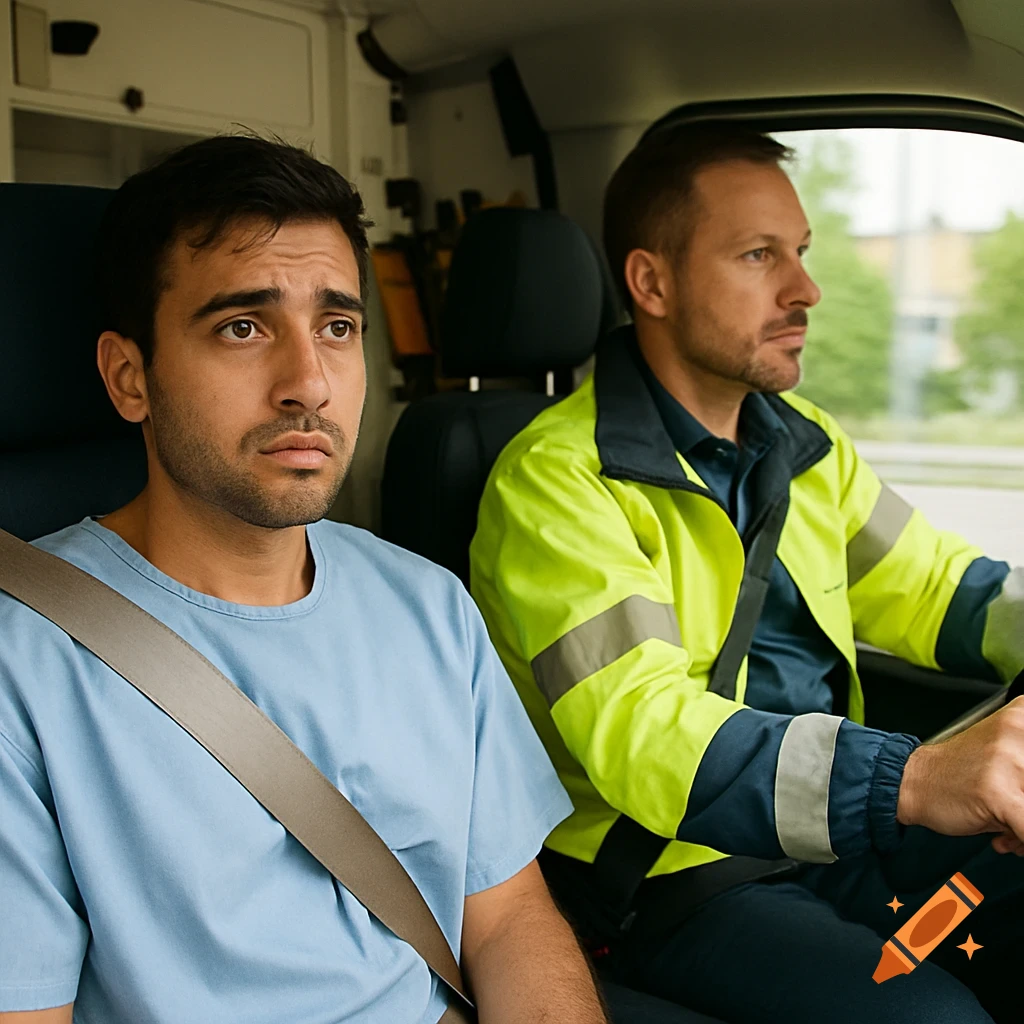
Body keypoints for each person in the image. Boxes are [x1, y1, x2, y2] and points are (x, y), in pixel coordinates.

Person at [0, 136, 609, 1024]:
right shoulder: (24, 660)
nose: (310, 383)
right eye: (242, 327)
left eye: (337, 327)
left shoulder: (428, 605)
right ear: (130, 378)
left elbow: (509, 915)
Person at [468, 121, 1024, 1024]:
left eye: (800, 252)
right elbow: (645, 733)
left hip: (836, 835)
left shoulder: (803, 444)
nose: (806, 289)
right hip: (678, 873)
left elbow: (936, 589)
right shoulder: (557, 481)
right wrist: (911, 781)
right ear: (651, 283)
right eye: (759, 255)